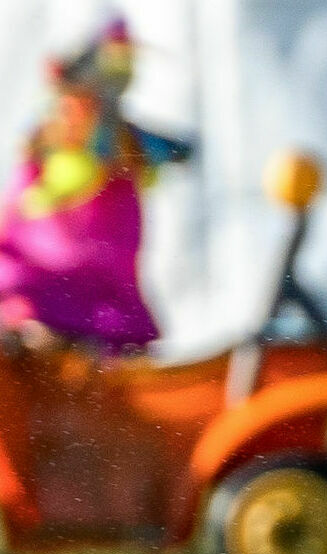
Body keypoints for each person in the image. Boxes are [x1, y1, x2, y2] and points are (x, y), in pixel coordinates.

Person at [0, 18, 193, 353]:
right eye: (70, 105)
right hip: (34, 288)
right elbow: (19, 226)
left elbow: (174, 151)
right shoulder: (42, 150)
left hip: (104, 299)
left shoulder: (120, 148)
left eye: (87, 104)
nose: (76, 116)